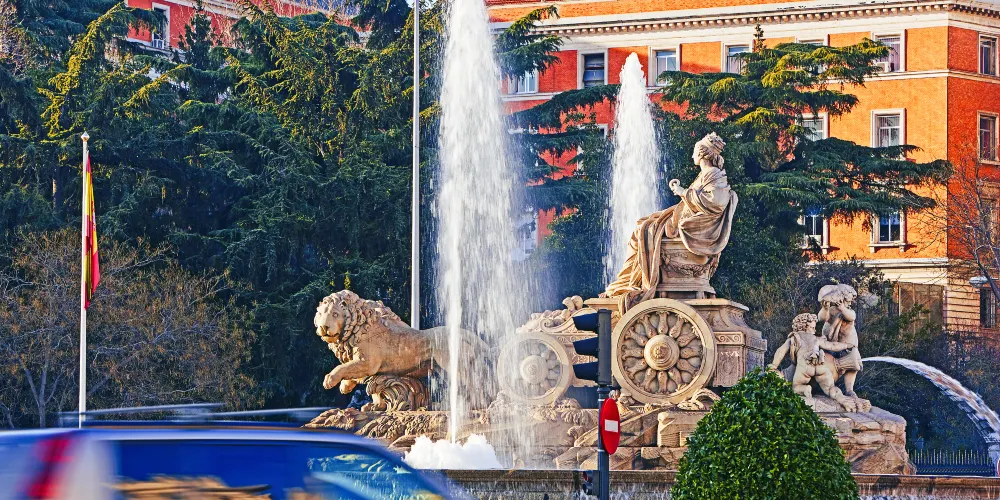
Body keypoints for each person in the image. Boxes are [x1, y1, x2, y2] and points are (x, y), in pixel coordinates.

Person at [604, 132, 738, 303]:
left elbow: (716, 201)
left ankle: (629, 282)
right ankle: (627, 281)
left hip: (693, 226)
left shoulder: (713, 173)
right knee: (643, 226)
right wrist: (682, 192)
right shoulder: (707, 174)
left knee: (643, 231)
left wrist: (683, 192)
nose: (692, 156)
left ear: (701, 153)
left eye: (694, 152)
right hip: (686, 219)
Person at [817, 284, 862, 397]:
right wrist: (825, 308)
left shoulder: (848, 311)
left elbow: (851, 317)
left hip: (847, 343)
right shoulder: (832, 310)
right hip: (830, 342)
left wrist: (842, 308)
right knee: (826, 363)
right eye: (849, 299)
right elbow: (821, 318)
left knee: (852, 365)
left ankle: (849, 389)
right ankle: (826, 387)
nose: (850, 302)